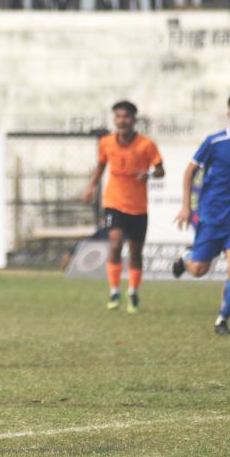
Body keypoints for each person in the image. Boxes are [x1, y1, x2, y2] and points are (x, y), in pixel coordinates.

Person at [171, 92, 230, 336]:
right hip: (212, 217)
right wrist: (186, 206)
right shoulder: (214, 142)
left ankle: (222, 320)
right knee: (199, 270)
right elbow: (190, 172)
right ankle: (186, 257)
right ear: (228, 113)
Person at [82, 101, 164, 313]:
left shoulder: (146, 144)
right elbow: (101, 166)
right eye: (118, 116)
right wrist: (90, 187)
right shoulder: (106, 142)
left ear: (134, 119)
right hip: (114, 202)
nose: (122, 120)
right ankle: (115, 291)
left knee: (135, 251)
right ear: (114, 119)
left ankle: (133, 292)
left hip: (138, 207)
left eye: (126, 116)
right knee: (116, 244)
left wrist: (149, 174)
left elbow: (160, 170)